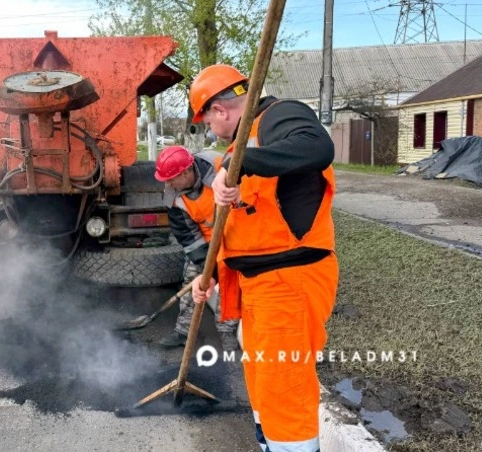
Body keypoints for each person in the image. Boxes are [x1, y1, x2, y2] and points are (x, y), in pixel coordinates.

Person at [189, 64, 337, 452]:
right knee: (261, 381)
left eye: (207, 121)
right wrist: (211, 274)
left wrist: (238, 165)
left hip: (289, 282)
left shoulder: (279, 116)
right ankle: (268, 444)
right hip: (260, 287)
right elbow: (241, 227)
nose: (210, 130)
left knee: (284, 388)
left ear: (219, 110)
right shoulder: (240, 145)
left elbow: (317, 148)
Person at [154, 145, 239, 351]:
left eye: (171, 179)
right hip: (204, 243)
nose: (168, 184)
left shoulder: (218, 168)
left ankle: (227, 332)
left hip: (236, 236)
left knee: (230, 285)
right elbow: (186, 235)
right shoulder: (172, 196)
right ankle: (183, 332)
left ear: (185, 172)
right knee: (193, 283)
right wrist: (206, 264)